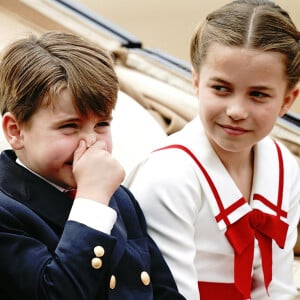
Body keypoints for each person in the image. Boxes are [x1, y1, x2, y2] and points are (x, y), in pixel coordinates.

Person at [127, 0, 300, 299]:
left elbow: (277, 289)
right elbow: (171, 293)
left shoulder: (284, 167)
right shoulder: (168, 177)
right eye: (221, 88)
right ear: (195, 81)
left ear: (287, 100)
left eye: (258, 94)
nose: (236, 110)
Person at [0, 31, 186, 300]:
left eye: (102, 125)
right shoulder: (8, 212)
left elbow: (163, 291)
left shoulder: (118, 197)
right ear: (16, 131)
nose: (90, 143)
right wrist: (92, 201)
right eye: (69, 127)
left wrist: (98, 196)